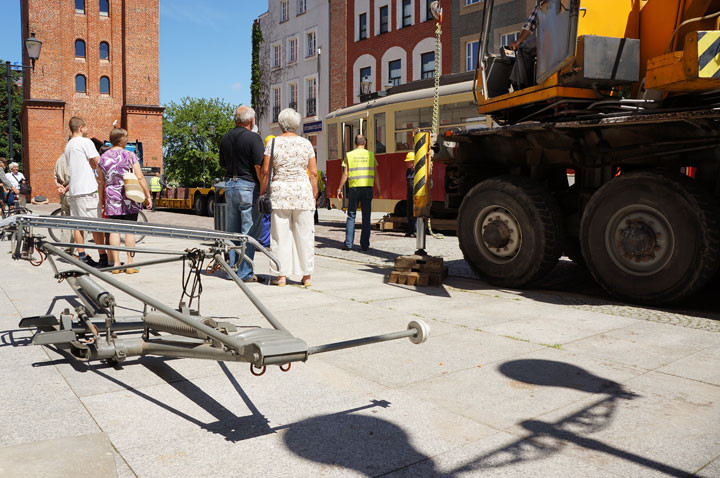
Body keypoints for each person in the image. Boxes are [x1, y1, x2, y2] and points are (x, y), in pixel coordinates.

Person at [259, 108, 318, 287]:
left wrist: (262, 192)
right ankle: (306, 276)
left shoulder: (273, 143)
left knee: (279, 235)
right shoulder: (306, 144)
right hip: (302, 193)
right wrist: (314, 193)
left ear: (280, 124)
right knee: (305, 235)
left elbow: (266, 170)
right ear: (296, 124)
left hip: (280, 193)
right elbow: (313, 173)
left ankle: (281, 275)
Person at [219, 105, 265, 282]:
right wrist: (263, 188)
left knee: (232, 230)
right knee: (249, 231)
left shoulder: (225, 138)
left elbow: (223, 163)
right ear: (251, 120)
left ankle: (232, 269)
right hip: (248, 186)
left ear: (235, 120)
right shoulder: (254, 138)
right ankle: (245, 272)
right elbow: (258, 166)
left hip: (230, 184)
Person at [97, 128, 152, 273]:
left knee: (114, 230)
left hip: (111, 196)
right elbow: (140, 177)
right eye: (126, 138)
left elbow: (101, 181)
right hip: (129, 195)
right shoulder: (129, 155)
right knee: (130, 230)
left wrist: (102, 199)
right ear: (121, 140)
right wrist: (147, 195)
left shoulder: (103, 157)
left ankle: (115, 265)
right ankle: (129, 264)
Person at [64, 116, 108, 267]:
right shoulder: (85, 142)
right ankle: (103, 257)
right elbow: (99, 162)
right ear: (81, 128)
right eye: (86, 127)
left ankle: (82, 256)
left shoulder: (69, 145)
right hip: (87, 189)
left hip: (75, 190)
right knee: (96, 224)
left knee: (78, 225)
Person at [336, 134, 381, 251]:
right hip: (367, 188)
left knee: (351, 215)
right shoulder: (371, 155)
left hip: (354, 188)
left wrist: (339, 188)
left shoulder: (349, 155)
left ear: (355, 144)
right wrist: (379, 189)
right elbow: (376, 173)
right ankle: (365, 245)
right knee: (366, 216)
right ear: (364, 143)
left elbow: (345, 174)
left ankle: (348, 244)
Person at [508, 1, 544, 91]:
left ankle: (521, 85)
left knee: (522, 48)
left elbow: (530, 25)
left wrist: (518, 42)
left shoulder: (543, 4)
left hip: (549, 40)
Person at [54, 153, 73, 245]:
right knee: (78, 223)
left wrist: (59, 186)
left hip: (63, 193)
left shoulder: (60, 159)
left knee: (66, 221)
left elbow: (55, 176)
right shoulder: (75, 158)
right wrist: (67, 187)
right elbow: (76, 177)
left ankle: (65, 247)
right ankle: (76, 251)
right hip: (73, 192)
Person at [404, 152, 417, 237]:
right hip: (409, 195)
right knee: (409, 213)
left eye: (408, 162)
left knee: (415, 213)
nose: (406, 163)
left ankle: (416, 231)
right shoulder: (408, 171)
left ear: (413, 162)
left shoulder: (418, 171)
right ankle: (410, 230)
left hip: (416, 196)